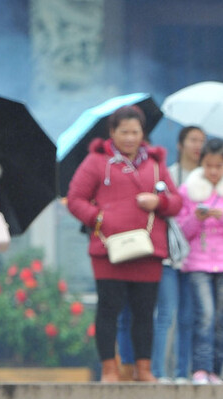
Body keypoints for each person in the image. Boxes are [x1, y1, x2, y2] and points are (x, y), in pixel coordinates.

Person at [67, 104, 181, 383]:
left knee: (145, 312)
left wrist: (159, 202)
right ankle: (110, 369)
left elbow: (177, 202)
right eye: (124, 132)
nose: (130, 138)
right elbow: (75, 198)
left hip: (148, 250)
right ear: (112, 133)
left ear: (143, 133)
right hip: (109, 251)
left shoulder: (155, 165)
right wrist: (98, 218)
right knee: (109, 309)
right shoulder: (96, 162)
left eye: (135, 132)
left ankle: (143, 370)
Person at [176, 138, 223, 385]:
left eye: (219, 166)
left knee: (222, 319)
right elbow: (182, 233)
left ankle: (216, 370)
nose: (214, 172)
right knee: (204, 315)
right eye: (209, 165)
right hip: (198, 263)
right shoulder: (188, 191)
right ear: (201, 164)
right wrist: (196, 218)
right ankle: (200, 369)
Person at [151, 125, 205, 381]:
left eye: (202, 141)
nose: (198, 146)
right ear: (180, 145)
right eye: (193, 140)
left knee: (189, 317)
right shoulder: (168, 175)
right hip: (170, 256)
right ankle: (159, 371)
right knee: (166, 314)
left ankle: (183, 372)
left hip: (198, 258)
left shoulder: (209, 179)